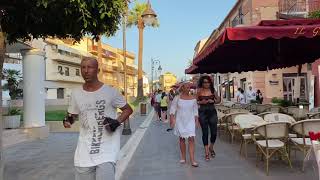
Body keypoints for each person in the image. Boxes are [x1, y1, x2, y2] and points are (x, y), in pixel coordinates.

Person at [63, 57, 133, 180]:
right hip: (84, 150)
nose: (86, 71)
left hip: (107, 150)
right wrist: (68, 121)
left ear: (98, 70)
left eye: (90, 67)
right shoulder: (76, 93)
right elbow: (72, 115)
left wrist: (116, 122)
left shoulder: (110, 92)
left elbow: (128, 109)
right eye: (83, 67)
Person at [170, 82, 199, 167]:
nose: (188, 89)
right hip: (180, 121)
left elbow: (195, 110)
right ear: (182, 88)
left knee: (191, 139)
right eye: (187, 87)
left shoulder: (193, 98)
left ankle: (192, 159)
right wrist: (172, 119)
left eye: (189, 87)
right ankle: (183, 157)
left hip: (190, 121)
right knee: (182, 139)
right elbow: (172, 109)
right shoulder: (177, 98)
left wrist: (197, 120)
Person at [197, 75, 221, 161]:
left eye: (207, 82)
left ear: (210, 83)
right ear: (202, 83)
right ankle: (207, 152)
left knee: (214, 132)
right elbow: (195, 101)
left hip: (212, 112)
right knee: (205, 133)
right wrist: (201, 102)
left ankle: (211, 147)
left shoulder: (212, 90)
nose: (206, 84)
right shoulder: (199, 91)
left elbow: (219, 100)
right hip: (202, 112)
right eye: (204, 82)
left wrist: (213, 101)